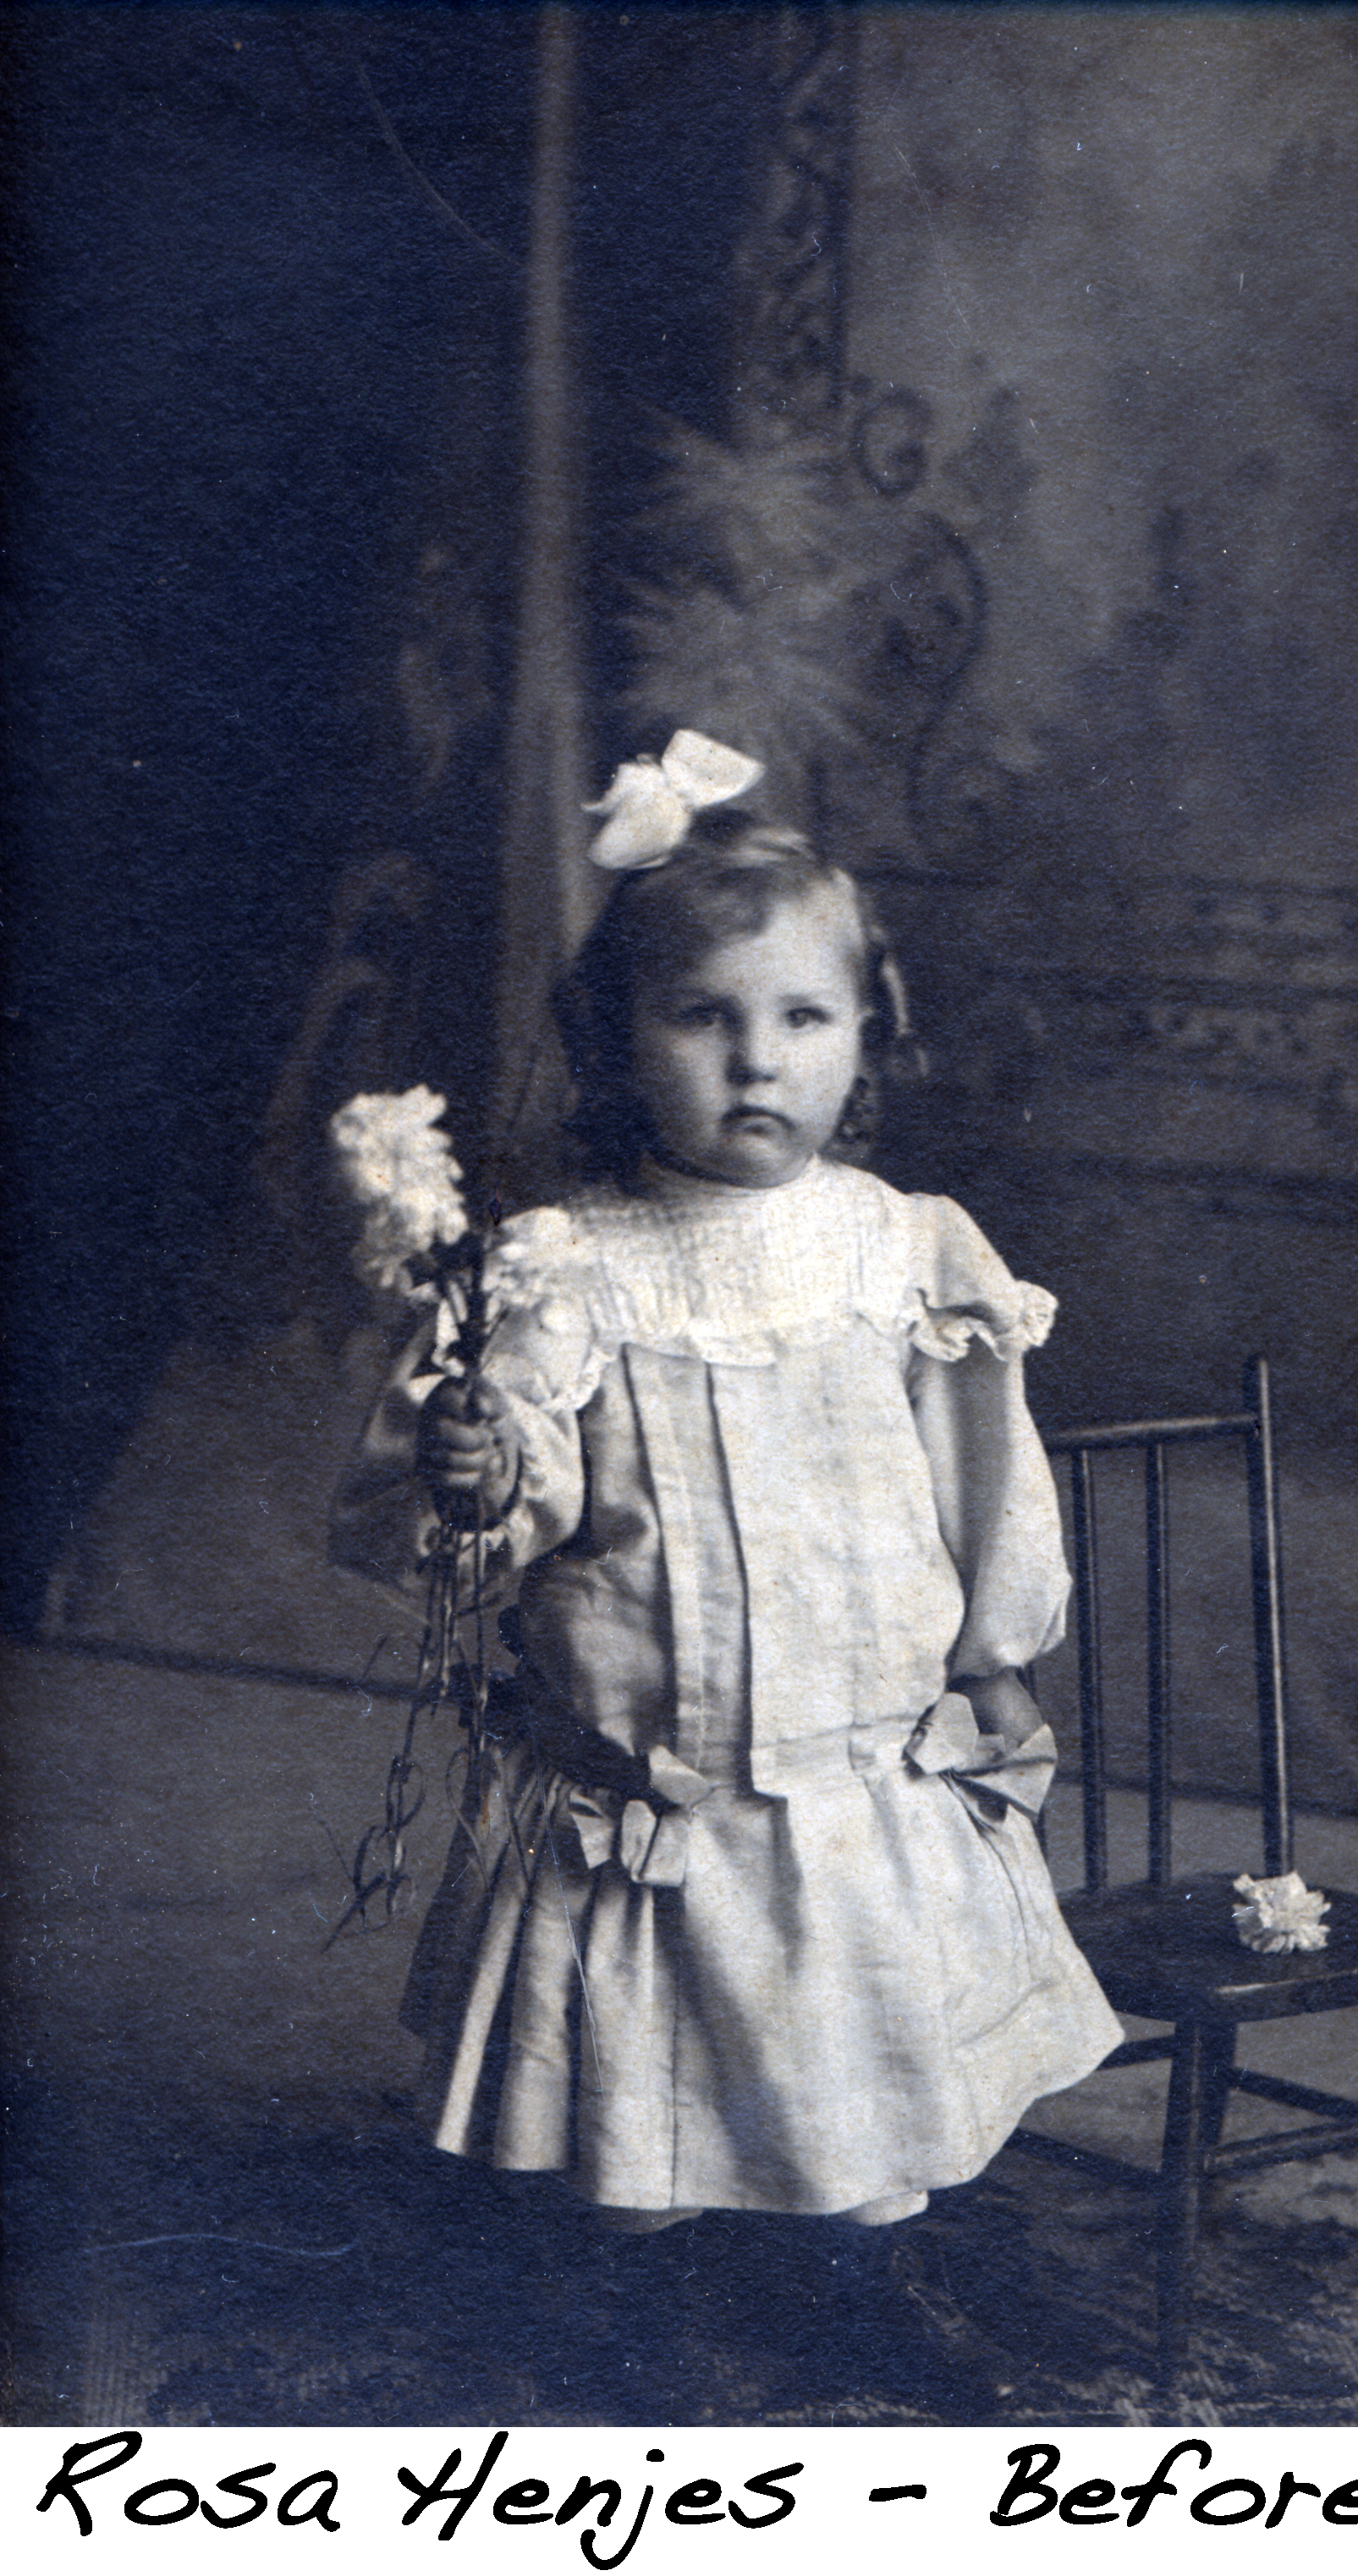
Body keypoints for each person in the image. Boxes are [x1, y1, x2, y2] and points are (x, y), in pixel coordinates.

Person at [332, 732, 1121, 2262]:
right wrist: (483, 1473)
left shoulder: (902, 1245)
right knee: (650, 2092)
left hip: (853, 1752)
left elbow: (986, 1476)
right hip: (660, 1761)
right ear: (617, 1041)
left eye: (802, 1017)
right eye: (702, 1016)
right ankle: (640, 2277)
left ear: (863, 1039)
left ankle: (850, 2259)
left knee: (865, 2069)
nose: (758, 1060)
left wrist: (993, 1654)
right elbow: (503, 1512)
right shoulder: (565, 1266)